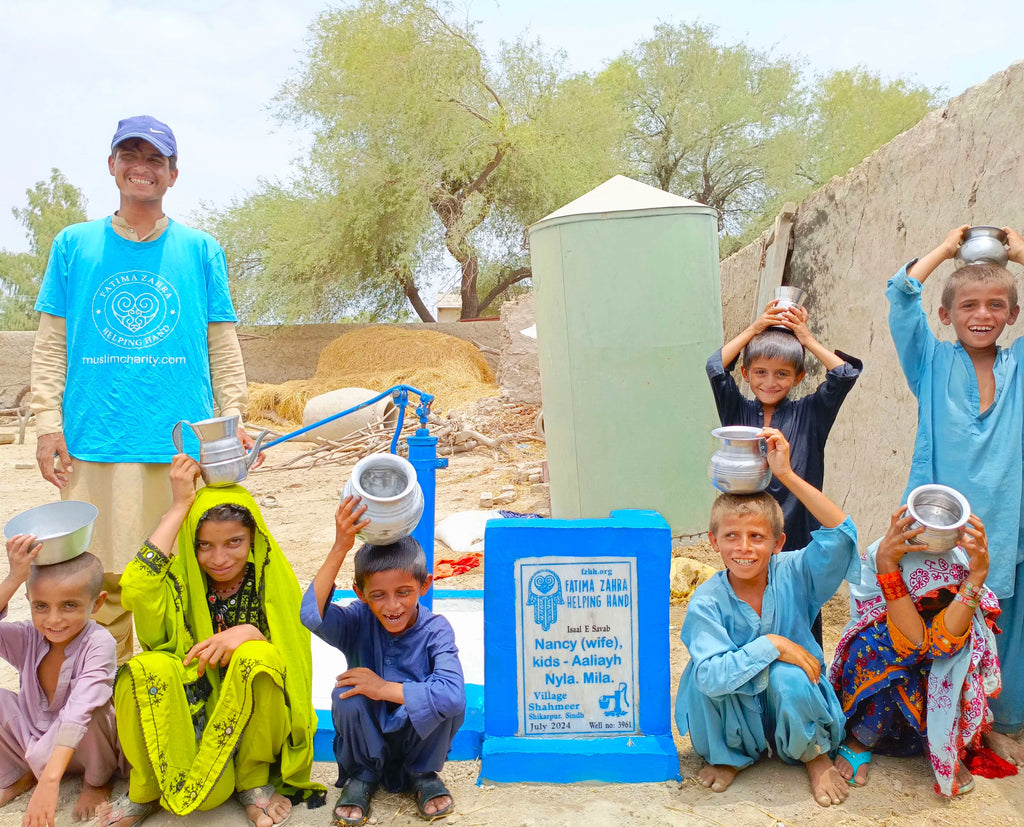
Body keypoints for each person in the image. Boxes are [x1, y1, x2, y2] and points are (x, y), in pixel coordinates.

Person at [31, 115, 251, 663]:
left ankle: (170, 710)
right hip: (94, 442)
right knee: (101, 582)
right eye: (130, 155)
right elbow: (51, 344)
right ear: (112, 167)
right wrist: (45, 425)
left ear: (173, 174)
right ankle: (102, 717)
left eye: (155, 159)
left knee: (177, 579)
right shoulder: (73, 245)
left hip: (180, 447)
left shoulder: (201, 250)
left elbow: (221, 344)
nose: (141, 168)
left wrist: (235, 418)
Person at [105, 455, 324, 827]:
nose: (219, 559)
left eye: (234, 542)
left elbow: (292, 668)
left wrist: (249, 634)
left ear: (254, 536)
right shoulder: (182, 579)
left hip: (256, 727)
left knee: (258, 655)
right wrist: (179, 506)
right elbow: (136, 589)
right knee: (142, 668)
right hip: (195, 718)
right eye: (204, 545)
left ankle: (253, 782)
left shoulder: (273, 580)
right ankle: (144, 789)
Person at [887, 225, 1024, 764]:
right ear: (946, 315)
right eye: (968, 304)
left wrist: (1017, 252)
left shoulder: (1018, 367)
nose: (982, 315)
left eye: (996, 305)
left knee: (1005, 624)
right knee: (937, 615)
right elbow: (900, 297)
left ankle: (1001, 721)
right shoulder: (931, 363)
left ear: (1012, 315)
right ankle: (934, 718)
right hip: (937, 526)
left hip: (1005, 521)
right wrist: (944, 249)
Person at [674, 427, 858, 808]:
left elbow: (841, 534)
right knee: (704, 675)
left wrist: (787, 475)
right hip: (734, 713)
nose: (744, 548)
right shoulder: (707, 601)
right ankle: (730, 756)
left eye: (757, 537)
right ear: (713, 541)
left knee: (790, 676)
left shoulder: (794, 573)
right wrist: (773, 645)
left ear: (778, 543)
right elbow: (711, 677)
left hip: (793, 705)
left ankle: (814, 754)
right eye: (731, 536)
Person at [301, 496, 465, 825]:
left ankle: (423, 775)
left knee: (446, 701)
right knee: (346, 695)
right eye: (378, 595)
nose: (392, 606)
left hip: (417, 739)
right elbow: (309, 615)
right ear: (360, 594)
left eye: (403, 592)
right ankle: (362, 776)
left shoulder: (436, 629)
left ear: (424, 585)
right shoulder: (357, 619)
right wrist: (340, 546)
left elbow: (453, 695)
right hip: (367, 736)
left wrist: (382, 688)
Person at [706, 302, 862, 645]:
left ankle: (805, 675)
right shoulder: (736, 410)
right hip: (749, 531)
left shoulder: (811, 413)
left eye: (782, 374)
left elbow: (844, 375)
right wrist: (755, 328)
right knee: (748, 601)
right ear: (745, 374)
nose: (770, 382)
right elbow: (716, 368)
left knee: (800, 606)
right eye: (760, 372)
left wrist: (805, 338)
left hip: (798, 530)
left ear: (798, 377)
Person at [829, 503, 999, 797]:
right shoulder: (882, 559)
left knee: (959, 661)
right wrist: (887, 568)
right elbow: (913, 644)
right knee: (871, 649)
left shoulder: (957, 567)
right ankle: (862, 738)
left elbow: (943, 645)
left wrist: (977, 576)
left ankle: (939, 742)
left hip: (936, 663)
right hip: (890, 665)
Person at [0, 541, 122, 825]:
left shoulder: (98, 642)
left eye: (69, 605)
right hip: (36, 740)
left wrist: (51, 781)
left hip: (83, 745)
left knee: (95, 711)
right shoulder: (27, 636)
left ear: (98, 603)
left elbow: (79, 711)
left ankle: (96, 782)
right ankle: (22, 774)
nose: (54, 619)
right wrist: (14, 578)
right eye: (41, 606)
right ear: (28, 600)